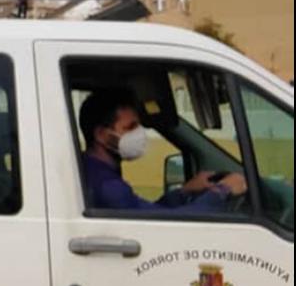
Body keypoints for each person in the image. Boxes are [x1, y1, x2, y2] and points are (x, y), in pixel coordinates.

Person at [78, 89, 246, 212]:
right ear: (101, 134)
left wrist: (185, 191)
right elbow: (173, 223)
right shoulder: (108, 187)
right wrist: (222, 191)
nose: (139, 134)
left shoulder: (92, 171)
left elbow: (149, 212)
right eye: (130, 127)